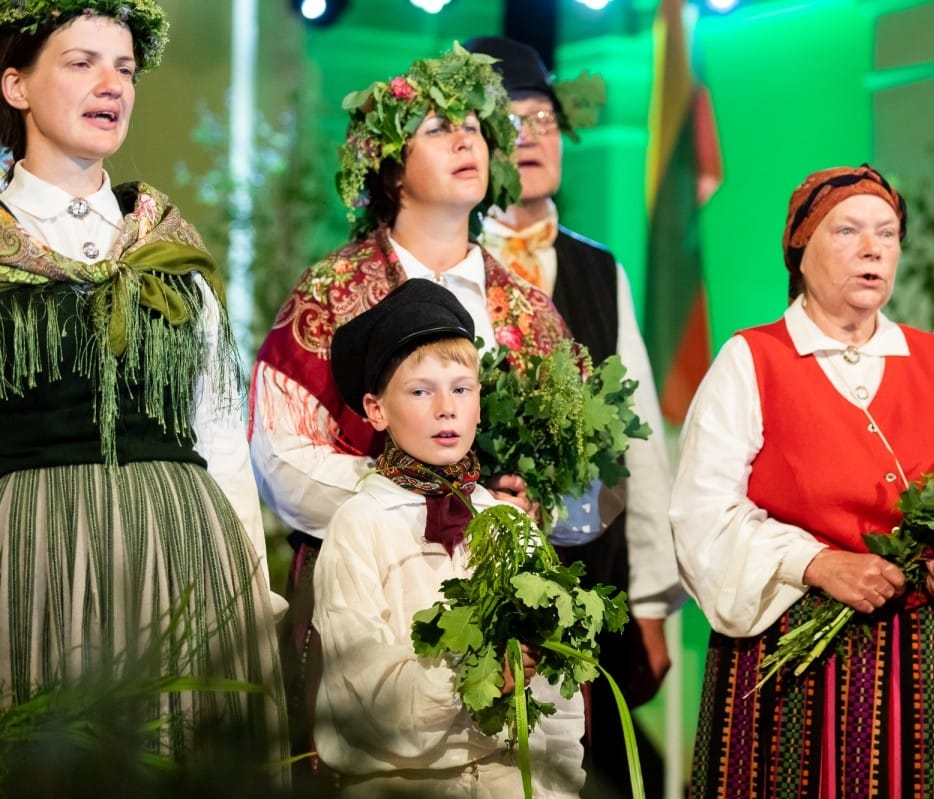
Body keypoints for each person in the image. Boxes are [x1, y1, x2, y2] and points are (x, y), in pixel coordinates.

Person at [670, 164, 934, 797]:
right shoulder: (753, 360)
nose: (873, 248)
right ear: (800, 247)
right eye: (847, 231)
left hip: (927, 670)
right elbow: (702, 515)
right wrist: (815, 562)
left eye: (888, 233)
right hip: (795, 669)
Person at [250, 44, 571, 784]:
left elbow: (578, 472)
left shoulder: (524, 306)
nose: (466, 138)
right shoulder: (333, 290)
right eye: (435, 126)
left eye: (473, 125)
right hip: (374, 580)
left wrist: (524, 504)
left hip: (497, 574)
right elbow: (281, 451)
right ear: (390, 166)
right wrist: (408, 496)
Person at [0, 0, 286, 778]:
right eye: (81, 62)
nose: (112, 84)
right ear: (16, 84)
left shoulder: (165, 247)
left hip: (179, 549)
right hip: (31, 557)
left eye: (124, 68)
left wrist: (253, 597)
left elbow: (220, 434)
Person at [464, 35, 683, 798]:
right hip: (475, 569)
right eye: (510, 119)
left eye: (545, 119)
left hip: (592, 572)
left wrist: (652, 604)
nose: (533, 136)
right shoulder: (442, 263)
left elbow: (641, 440)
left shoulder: (597, 268)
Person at [312, 278, 584, 797]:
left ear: (479, 403)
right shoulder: (360, 525)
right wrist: (474, 676)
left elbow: (555, 695)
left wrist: (558, 785)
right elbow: (369, 696)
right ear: (375, 409)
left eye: (461, 388)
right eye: (420, 391)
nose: (446, 408)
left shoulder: (510, 525)